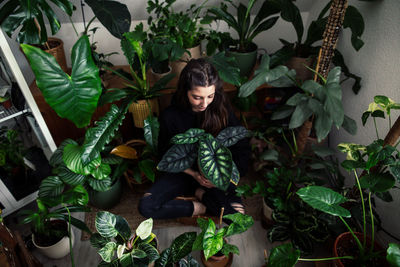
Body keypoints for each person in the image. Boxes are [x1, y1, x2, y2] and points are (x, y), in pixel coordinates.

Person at [138, 58, 250, 220]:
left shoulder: (221, 109)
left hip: (215, 175)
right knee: (146, 206)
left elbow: (242, 150)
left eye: (210, 96)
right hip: (185, 175)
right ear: (185, 91)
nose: (205, 103)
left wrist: (219, 175)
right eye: (197, 97)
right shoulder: (171, 116)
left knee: (237, 217)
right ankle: (202, 204)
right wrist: (194, 175)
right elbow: (165, 155)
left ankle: (202, 195)